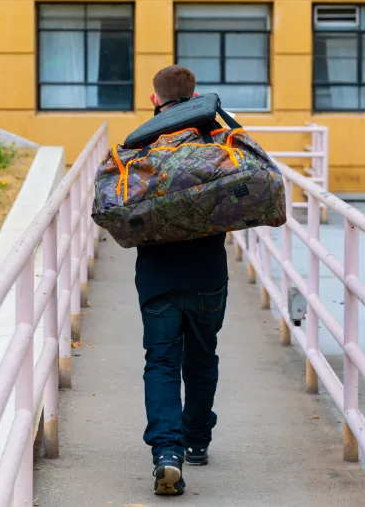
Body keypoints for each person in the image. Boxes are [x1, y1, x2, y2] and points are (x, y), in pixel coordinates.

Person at [134, 65, 229, 495]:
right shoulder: (218, 142)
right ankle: (197, 442)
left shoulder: (139, 146)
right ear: (196, 97)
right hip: (208, 272)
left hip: (157, 276)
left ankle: (167, 454)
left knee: (162, 362)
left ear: (155, 100)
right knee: (202, 356)